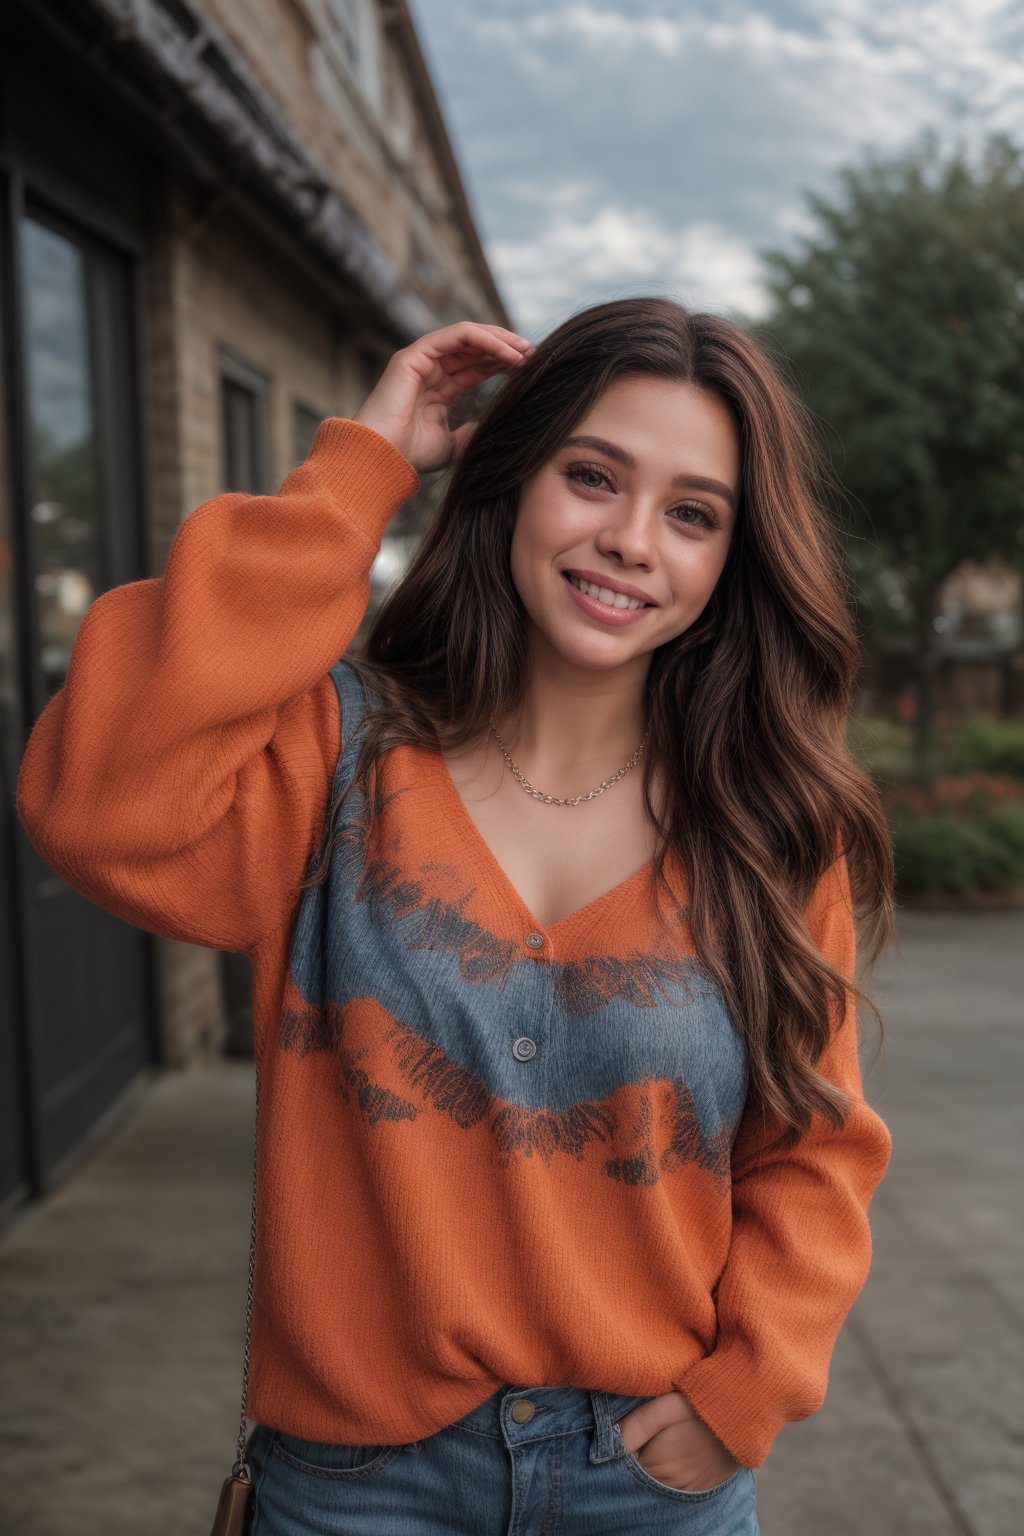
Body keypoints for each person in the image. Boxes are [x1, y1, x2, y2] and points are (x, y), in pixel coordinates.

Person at [16, 297, 895, 1534]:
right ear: (512, 484)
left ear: (729, 561)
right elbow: (98, 798)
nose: (633, 540)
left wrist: (747, 1390)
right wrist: (358, 475)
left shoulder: (764, 827)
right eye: (592, 477)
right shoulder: (332, 761)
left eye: (692, 514)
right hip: (353, 1487)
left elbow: (815, 1143)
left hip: (649, 1483)